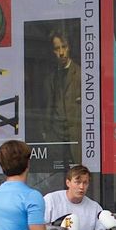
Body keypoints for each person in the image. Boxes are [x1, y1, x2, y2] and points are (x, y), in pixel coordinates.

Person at [44, 30, 82, 167]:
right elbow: (48, 109)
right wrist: (47, 136)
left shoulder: (82, 75)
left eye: (64, 47)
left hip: (77, 141)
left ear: (69, 47)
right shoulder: (50, 78)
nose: (61, 52)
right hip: (57, 142)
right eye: (57, 48)